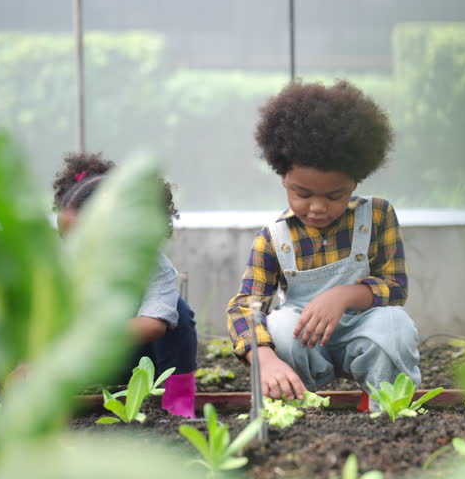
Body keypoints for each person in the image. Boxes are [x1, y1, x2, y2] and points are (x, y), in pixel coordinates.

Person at [226, 80, 420, 410]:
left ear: (355, 181)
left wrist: (343, 296)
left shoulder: (377, 216)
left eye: (334, 195)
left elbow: (395, 287)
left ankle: (386, 404)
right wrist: (265, 359)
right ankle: (302, 406)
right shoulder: (273, 238)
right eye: (302, 194)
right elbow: (245, 306)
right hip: (307, 345)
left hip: (363, 330)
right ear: (283, 178)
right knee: (282, 326)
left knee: (395, 325)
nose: (317, 207)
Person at [53, 152, 197, 417]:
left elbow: (154, 324)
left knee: (180, 313)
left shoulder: (153, 265)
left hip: (139, 364)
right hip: (78, 364)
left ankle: (178, 403)